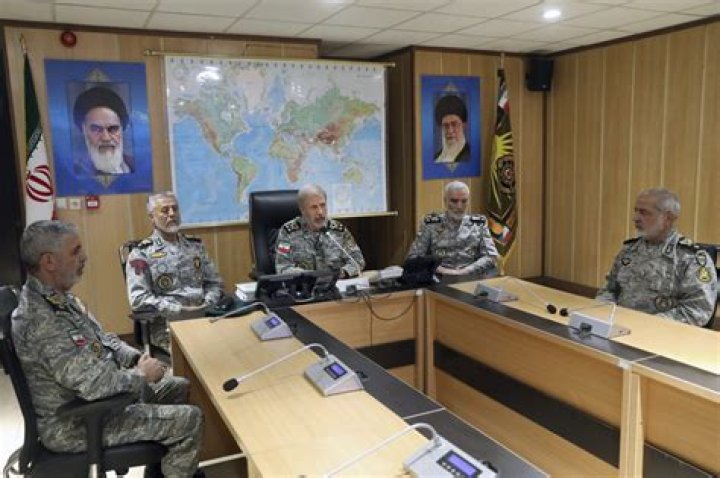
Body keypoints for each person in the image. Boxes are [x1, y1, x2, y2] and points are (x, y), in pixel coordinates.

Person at [13, 220, 203, 477]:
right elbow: (93, 385)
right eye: (75, 251)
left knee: (177, 387)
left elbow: (103, 340)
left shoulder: (59, 299)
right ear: (49, 261)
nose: (84, 257)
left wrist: (135, 358)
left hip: (99, 403)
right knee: (189, 420)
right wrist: (141, 375)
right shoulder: (40, 319)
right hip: (75, 424)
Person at [597, 188, 717, 327]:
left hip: (662, 333)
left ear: (668, 218)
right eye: (636, 211)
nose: (635, 218)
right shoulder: (629, 250)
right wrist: (604, 315)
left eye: (644, 212)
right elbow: (609, 290)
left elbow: (697, 311)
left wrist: (646, 325)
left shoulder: (691, 258)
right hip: (620, 327)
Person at [126, 192, 224, 356]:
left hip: (204, 317)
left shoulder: (195, 246)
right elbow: (138, 299)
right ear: (152, 217)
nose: (172, 214)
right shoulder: (141, 253)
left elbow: (215, 283)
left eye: (175, 209)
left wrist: (208, 302)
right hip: (167, 326)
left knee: (229, 348)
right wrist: (178, 309)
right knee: (200, 354)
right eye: (165, 210)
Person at [406, 181, 498, 276]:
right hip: (439, 277)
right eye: (454, 201)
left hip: (470, 277)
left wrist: (464, 271)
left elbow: (491, 257)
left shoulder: (478, 224)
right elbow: (414, 257)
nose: (459, 206)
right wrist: (441, 270)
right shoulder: (431, 225)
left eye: (464, 201)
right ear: (445, 201)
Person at [275, 184, 365, 278]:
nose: (320, 212)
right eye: (314, 207)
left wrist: (342, 273)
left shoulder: (338, 230)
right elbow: (282, 268)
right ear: (302, 210)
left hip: (335, 284)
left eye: (323, 205)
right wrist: (311, 276)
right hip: (305, 285)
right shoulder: (287, 232)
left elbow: (357, 261)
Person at [72, 85, 134, 176]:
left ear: (122, 129)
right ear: (84, 130)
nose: (106, 138)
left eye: (113, 129)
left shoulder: (134, 165)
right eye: (96, 129)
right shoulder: (75, 172)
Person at [433, 94, 470, 164]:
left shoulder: (469, 157)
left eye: (454, 124)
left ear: (463, 126)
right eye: (446, 125)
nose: (450, 131)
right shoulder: (436, 158)